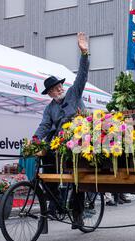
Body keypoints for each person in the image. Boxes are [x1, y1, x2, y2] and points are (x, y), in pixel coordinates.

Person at [34, 32, 90, 228]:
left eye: (58, 86)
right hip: (60, 145)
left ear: (61, 86)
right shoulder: (50, 108)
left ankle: (78, 214)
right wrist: (34, 140)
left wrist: (84, 54)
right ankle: (55, 200)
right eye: (53, 89)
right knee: (45, 162)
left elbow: (82, 76)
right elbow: (44, 126)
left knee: (77, 177)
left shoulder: (73, 94)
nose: (57, 90)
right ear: (49, 93)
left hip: (80, 142)